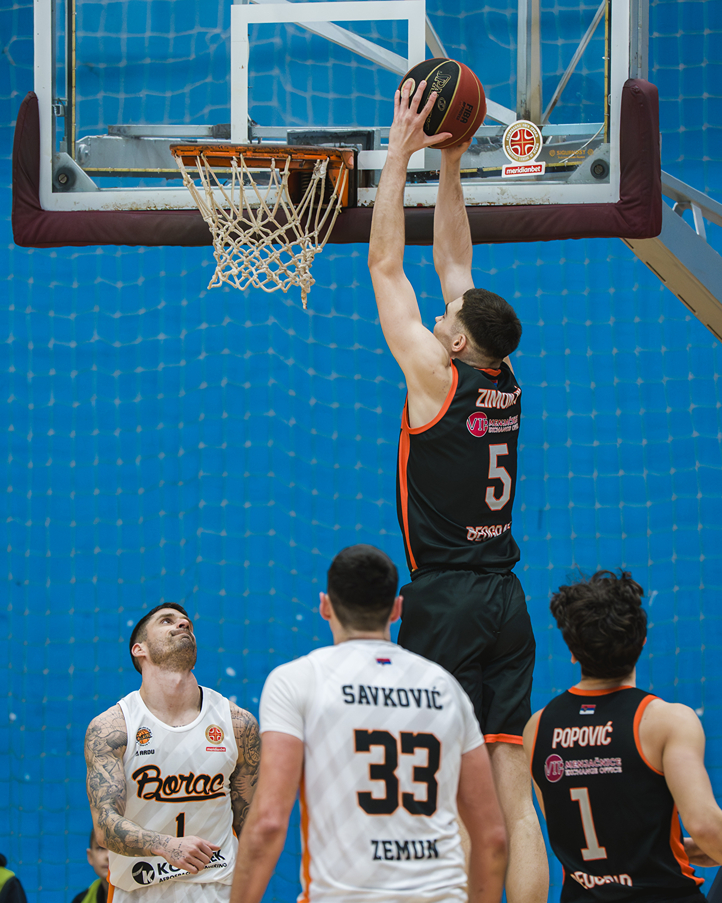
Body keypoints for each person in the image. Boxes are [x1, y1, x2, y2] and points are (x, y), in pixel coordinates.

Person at [367, 79, 546, 902]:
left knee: (443, 784)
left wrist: (400, 153)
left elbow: (386, 264)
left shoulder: (433, 374)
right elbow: (454, 265)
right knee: (512, 787)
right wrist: (452, 163)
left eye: (448, 319)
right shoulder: (500, 375)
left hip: (446, 598)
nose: (440, 316)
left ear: (458, 342)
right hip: (507, 597)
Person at [229, 544, 508, 903]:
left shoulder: (297, 680)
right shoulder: (446, 688)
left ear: (325, 606)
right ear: (396, 610)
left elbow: (268, 824)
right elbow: (492, 839)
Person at [524, 570, 722, 900]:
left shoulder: (538, 727)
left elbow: (571, 831)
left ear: (572, 651)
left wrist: (672, 847)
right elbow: (706, 827)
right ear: (641, 642)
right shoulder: (666, 720)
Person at [84, 603, 260, 903]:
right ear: (139, 649)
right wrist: (166, 845)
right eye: (167, 621)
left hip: (217, 887)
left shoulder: (238, 723)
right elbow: (104, 826)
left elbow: (249, 825)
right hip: (138, 889)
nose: (183, 625)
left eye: (186, 623)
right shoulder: (112, 728)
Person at [71, 831, 110, 903]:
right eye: (101, 848)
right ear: (90, 856)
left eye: (117, 849)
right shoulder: (81, 900)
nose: (108, 856)